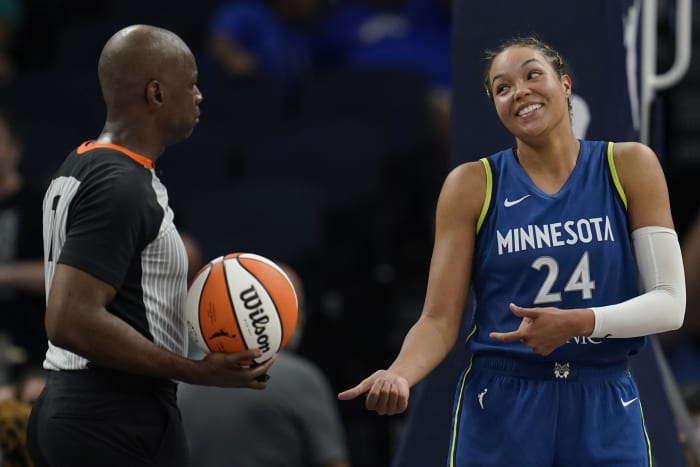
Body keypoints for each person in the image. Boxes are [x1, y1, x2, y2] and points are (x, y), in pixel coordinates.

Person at [338, 35, 686, 466]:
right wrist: (399, 374)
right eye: (502, 88)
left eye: (532, 75)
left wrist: (578, 322)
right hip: (504, 399)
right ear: (497, 108)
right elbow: (438, 320)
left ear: (565, 85)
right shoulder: (471, 185)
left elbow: (671, 304)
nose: (519, 90)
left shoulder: (629, 165)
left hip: (603, 395)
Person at [25, 24, 275, 467]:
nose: (199, 95)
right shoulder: (120, 185)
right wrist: (196, 370)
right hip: (109, 418)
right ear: (157, 94)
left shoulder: (85, 163)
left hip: (84, 409)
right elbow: (68, 318)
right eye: (192, 83)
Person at [178, 263, 351, 467]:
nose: (303, 318)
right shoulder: (302, 378)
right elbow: (333, 463)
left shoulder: (183, 377)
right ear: (268, 313)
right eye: (295, 307)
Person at [0, 108, 46, 373]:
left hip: (33, 359)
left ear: (15, 148)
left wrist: (5, 274)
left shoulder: (42, 204)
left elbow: (64, 275)